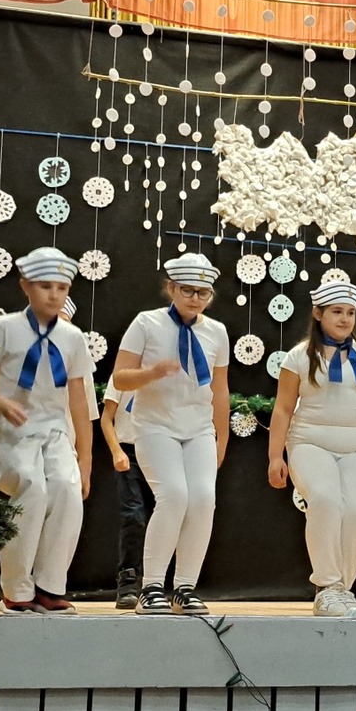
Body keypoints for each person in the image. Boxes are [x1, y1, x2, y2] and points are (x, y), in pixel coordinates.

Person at [0, 247, 95, 614]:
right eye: (45, 286)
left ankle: (49, 584)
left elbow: (79, 401)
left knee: (67, 491)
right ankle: (16, 588)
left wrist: (85, 458)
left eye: (62, 288)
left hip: (56, 430)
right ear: (25, 285)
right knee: (33, 488)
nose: (54, 295)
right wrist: (1, 402)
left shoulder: (72, 337)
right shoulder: (5, 328)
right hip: (17, 430)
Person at [111, 253, 230, 615]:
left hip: (199, 429)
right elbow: (120, 378)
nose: (195, 298)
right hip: (155, 425)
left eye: (203, 292)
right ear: (171, 288)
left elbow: (220, 389)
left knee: (203, 500)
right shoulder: (146, 323)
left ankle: (184, 587)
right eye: (187, 290)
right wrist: (151, 373)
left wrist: (221, 438)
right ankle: (150, 587)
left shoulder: (217, 332)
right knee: (174, 496)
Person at [268, 279, 356, 616]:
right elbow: (282, 409)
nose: (344, 319)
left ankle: (342, 589)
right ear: (318, 313)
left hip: (354, 450)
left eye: (350, 313)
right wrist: (275, 456)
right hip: (309, 444)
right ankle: (326, 585)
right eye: (337, 311)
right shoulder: (298, 357)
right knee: (325, 500)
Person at [98, 382, 155, 609]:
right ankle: (128, 581)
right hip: (128, 452)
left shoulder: (164, 373)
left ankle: (156, 582)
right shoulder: (121, 377)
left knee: (164, 517)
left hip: (159, 451)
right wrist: (116, 451)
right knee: (134, 515)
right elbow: (106, 419)